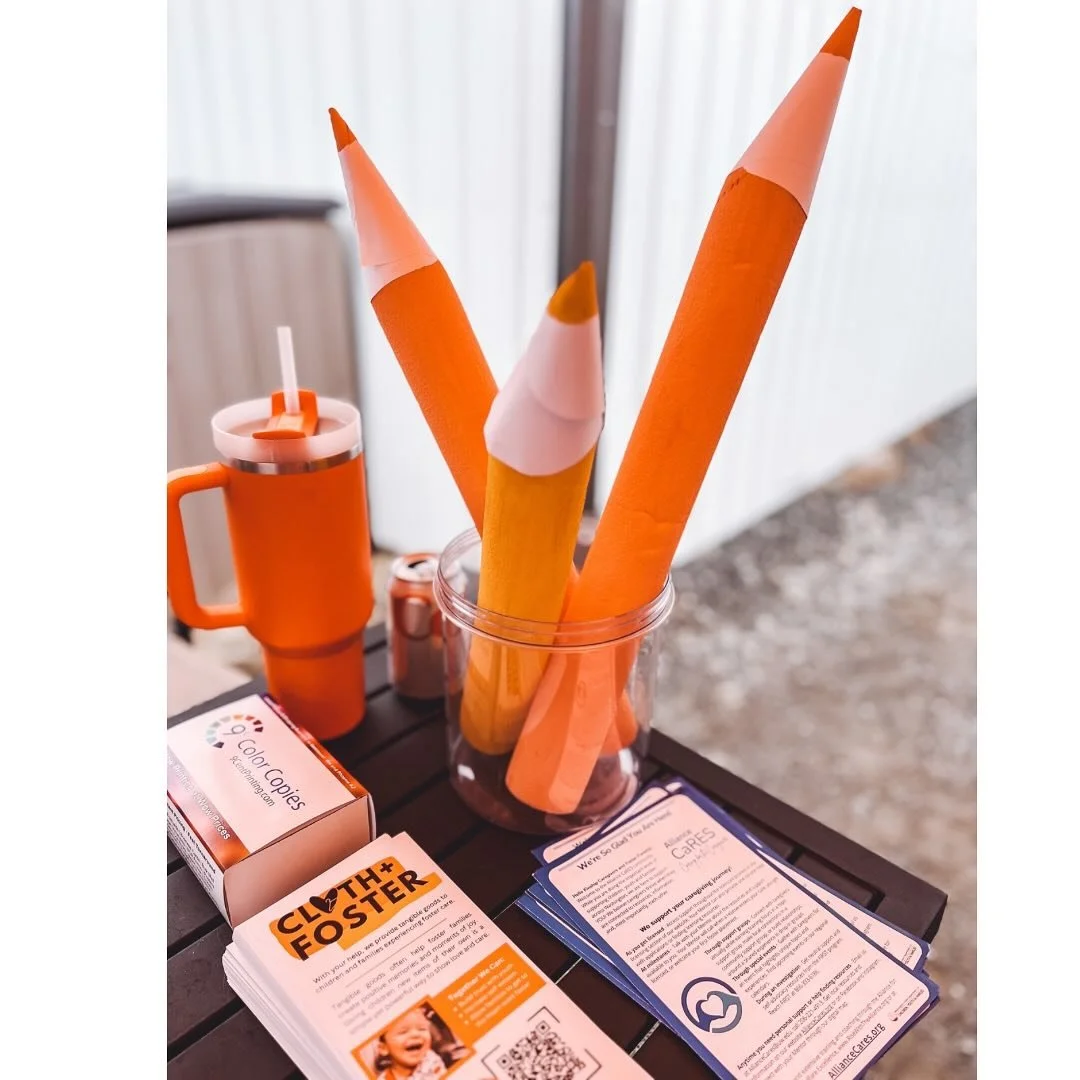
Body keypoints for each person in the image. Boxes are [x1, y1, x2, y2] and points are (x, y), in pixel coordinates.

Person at [373, 1008, 448, 1079]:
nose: (415, 1034)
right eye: (403, 1032)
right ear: (384, 1048)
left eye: (422, 1029)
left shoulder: (432, 1062)